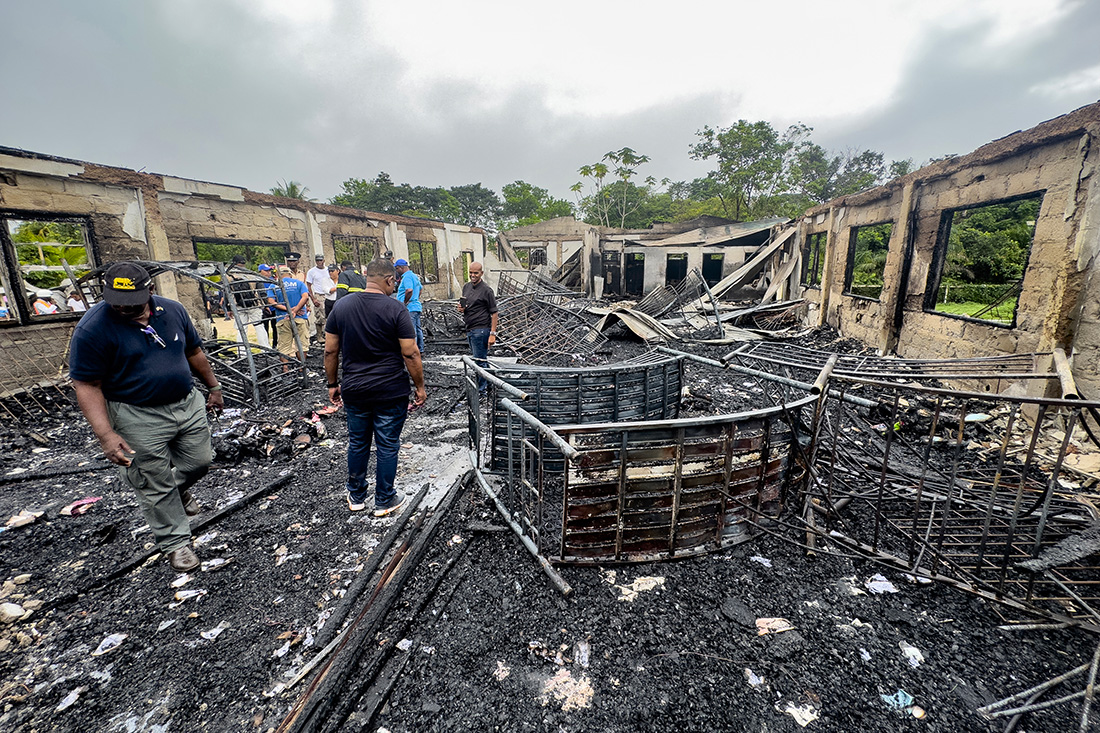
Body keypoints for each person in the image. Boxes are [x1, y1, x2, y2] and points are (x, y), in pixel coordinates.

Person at [68, 262, 223, 572]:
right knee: (152, 480)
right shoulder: (93, 328)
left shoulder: (173, 311)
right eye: (117, 301)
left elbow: (193, 351)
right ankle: (176, 543)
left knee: (200, 461)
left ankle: (176, 490)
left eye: (132, 303)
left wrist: (214, 386)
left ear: (150, 291)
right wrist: (106, 435)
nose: (124, 309)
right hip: (135, 413)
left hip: (185, 403)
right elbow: (86, 384)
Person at [325, 259, 427, 517]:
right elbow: (411, 353)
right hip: (390, 390)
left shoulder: (341, 307)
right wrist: (420, 387)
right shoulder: (396, 309)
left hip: (355, 389)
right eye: (395, 282)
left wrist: (333, 384)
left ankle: (356, 495)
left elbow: (330, 350)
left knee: (358, 442)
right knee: (387, 444)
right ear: (389, 280)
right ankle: (384, 499)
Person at [457, 262, 498, 392]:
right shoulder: (466, 287)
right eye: (470, 272)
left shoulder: (486, 290)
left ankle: (481, 390)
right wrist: (461, 308)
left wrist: (492, 334)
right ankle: (492, 383)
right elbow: (466, 305)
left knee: (479, 361)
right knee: (481, 359)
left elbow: (494, 313)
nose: (472, 275)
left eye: (476, 273)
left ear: (481, 273)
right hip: (470, 328)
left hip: (481, 330)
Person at [266, 265, 310, 362]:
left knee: (284, 345)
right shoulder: (299, 283)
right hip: (300, 316)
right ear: (290, 274)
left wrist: (288, 309)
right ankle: (302, 368)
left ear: (278, 275)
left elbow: (271, 301)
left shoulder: (273, 286)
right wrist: (295, 310)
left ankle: (285, 369)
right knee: (302, 344)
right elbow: (305, 297)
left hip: (283, 318)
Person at [226, 255, 270, 349]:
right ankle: (265, 349)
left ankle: (242, 352)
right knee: (259, 326)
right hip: (253, 304)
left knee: (241, 329)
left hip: (238, 305)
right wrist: (266, 305)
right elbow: (262, 291)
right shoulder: (252, 274)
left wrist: (229, 308)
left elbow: (226, 293)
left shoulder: (228, 276)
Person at [393, 258, 425, 353]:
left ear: (402, 268)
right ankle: (420, 349)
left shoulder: (406, 277)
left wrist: (404, 302)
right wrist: (415, 298)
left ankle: (413, 351)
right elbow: (420, 289)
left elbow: (409, 290)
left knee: (412, 330)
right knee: (418, 329)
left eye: (397, 268)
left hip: (410, 308)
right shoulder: (414, 276)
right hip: (416, 306)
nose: (397, 271)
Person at [305, 254, 331, 340]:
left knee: (329, 315)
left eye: (321, 260)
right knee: (320, 316)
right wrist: (313, 299)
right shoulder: (312, 271)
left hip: (329, 294)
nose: (319, 262)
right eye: (317, 261)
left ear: (324, 260)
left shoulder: (328, 270)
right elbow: (308, 286)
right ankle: (319, 336)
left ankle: (328, 335)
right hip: (319, 294)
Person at [257, 264, 279, 348]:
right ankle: (266, 346)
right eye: (266, 271)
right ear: (260, 271)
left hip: (274, 307)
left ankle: (275, 345)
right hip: (263, 308)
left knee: (275, 327)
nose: (268, 272)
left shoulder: (272, 280)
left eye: (269, 270)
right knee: (264, 328)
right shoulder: (257, 281)